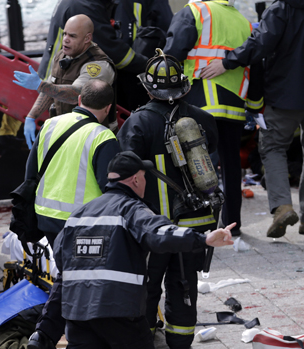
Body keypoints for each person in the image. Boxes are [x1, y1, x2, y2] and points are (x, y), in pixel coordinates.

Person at [200, 0, 304, 237]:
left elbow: (258, 45)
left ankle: (282, 207)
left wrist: (227, 62)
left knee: (272, 148)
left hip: (283, 97)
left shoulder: (281, 9)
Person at [54, 151, 235, 348]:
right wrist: (204, 239)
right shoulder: (131, 209)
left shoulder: (78, 215)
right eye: (144, 177)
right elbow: (160, 233)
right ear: (135, 180)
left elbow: (60, 258)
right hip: (119, 313)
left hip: (77, 314)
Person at [117, 50, 218, 348]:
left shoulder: (136, 124)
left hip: (152, 228)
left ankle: (145, 339)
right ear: (184, 87)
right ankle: (179, 344)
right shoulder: (202, 119)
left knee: (145, 289)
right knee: (184, 286)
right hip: (195, 224)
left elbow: (123, 174)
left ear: (148, 88)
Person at [25, 78, 120, 349]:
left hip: (47, 216)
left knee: (70, 276)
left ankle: (46, 335)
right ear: (109, 108)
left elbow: (31, 172)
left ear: (79, 100)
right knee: (76, 280)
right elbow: (110, 188)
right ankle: (53, 335)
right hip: (82, 224)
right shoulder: (103, 136)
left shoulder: (52, 124)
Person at [164, 0, 263, 237]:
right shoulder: (244, 22)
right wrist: (255, 104)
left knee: (197, 164)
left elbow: (171, 55)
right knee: (230, 165)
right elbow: (256, 65)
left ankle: (199, 224)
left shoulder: (195, 12)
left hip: (199, 102)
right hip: (235, 105)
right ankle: (233, 226)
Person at [13, 14, 116, 149]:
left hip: (92, 139)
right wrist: (31, 116)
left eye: (72, 36)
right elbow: (50, 88)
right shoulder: (62, 55)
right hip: (65, 133)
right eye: (65, 34)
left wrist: (40, 84)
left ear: (87, 38)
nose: (66, 40)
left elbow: (77, 95)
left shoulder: (97, 65)